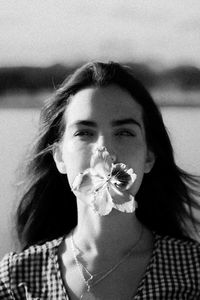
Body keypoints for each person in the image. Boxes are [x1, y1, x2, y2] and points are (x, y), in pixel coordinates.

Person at [0, 61, 200, 299]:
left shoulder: (194, 270)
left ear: (149, 157)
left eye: (124, 132)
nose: (104, 150)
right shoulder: (17, 278)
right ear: (59, 157)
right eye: (84, 133)